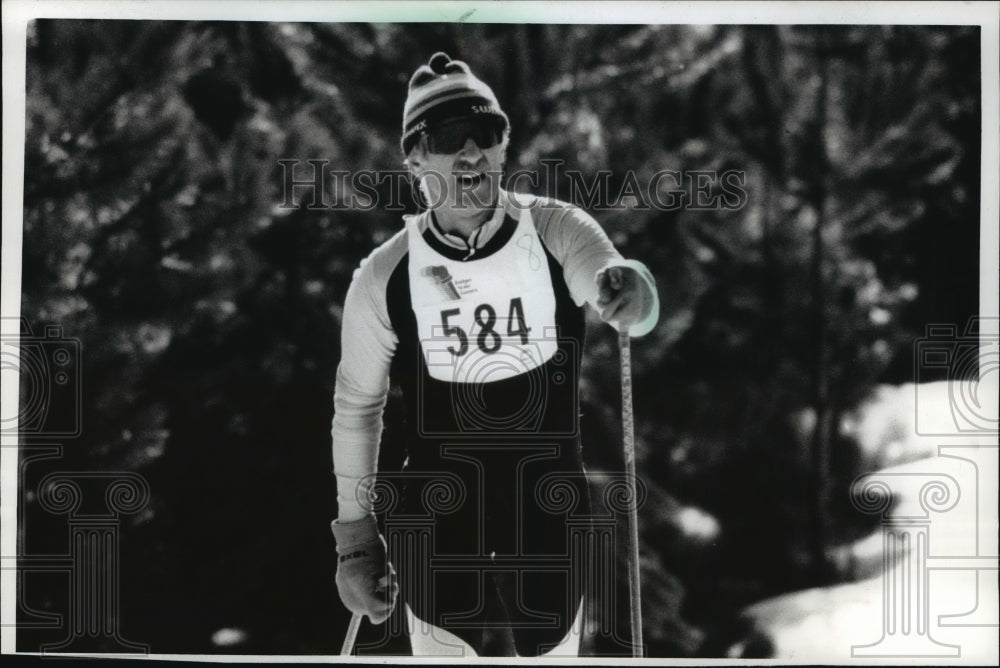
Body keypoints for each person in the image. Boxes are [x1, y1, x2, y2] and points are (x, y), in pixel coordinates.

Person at [330, 52, 659, 657]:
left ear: (505, 148)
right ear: (415, 159)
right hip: (436, 502)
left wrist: (628, 287)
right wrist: (356, 543)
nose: (471, 154)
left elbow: (607, 278)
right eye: (449, 137)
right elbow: (357, 407)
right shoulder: (384, 276)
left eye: (487, 133)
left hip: (546, 495)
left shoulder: (557, 229)